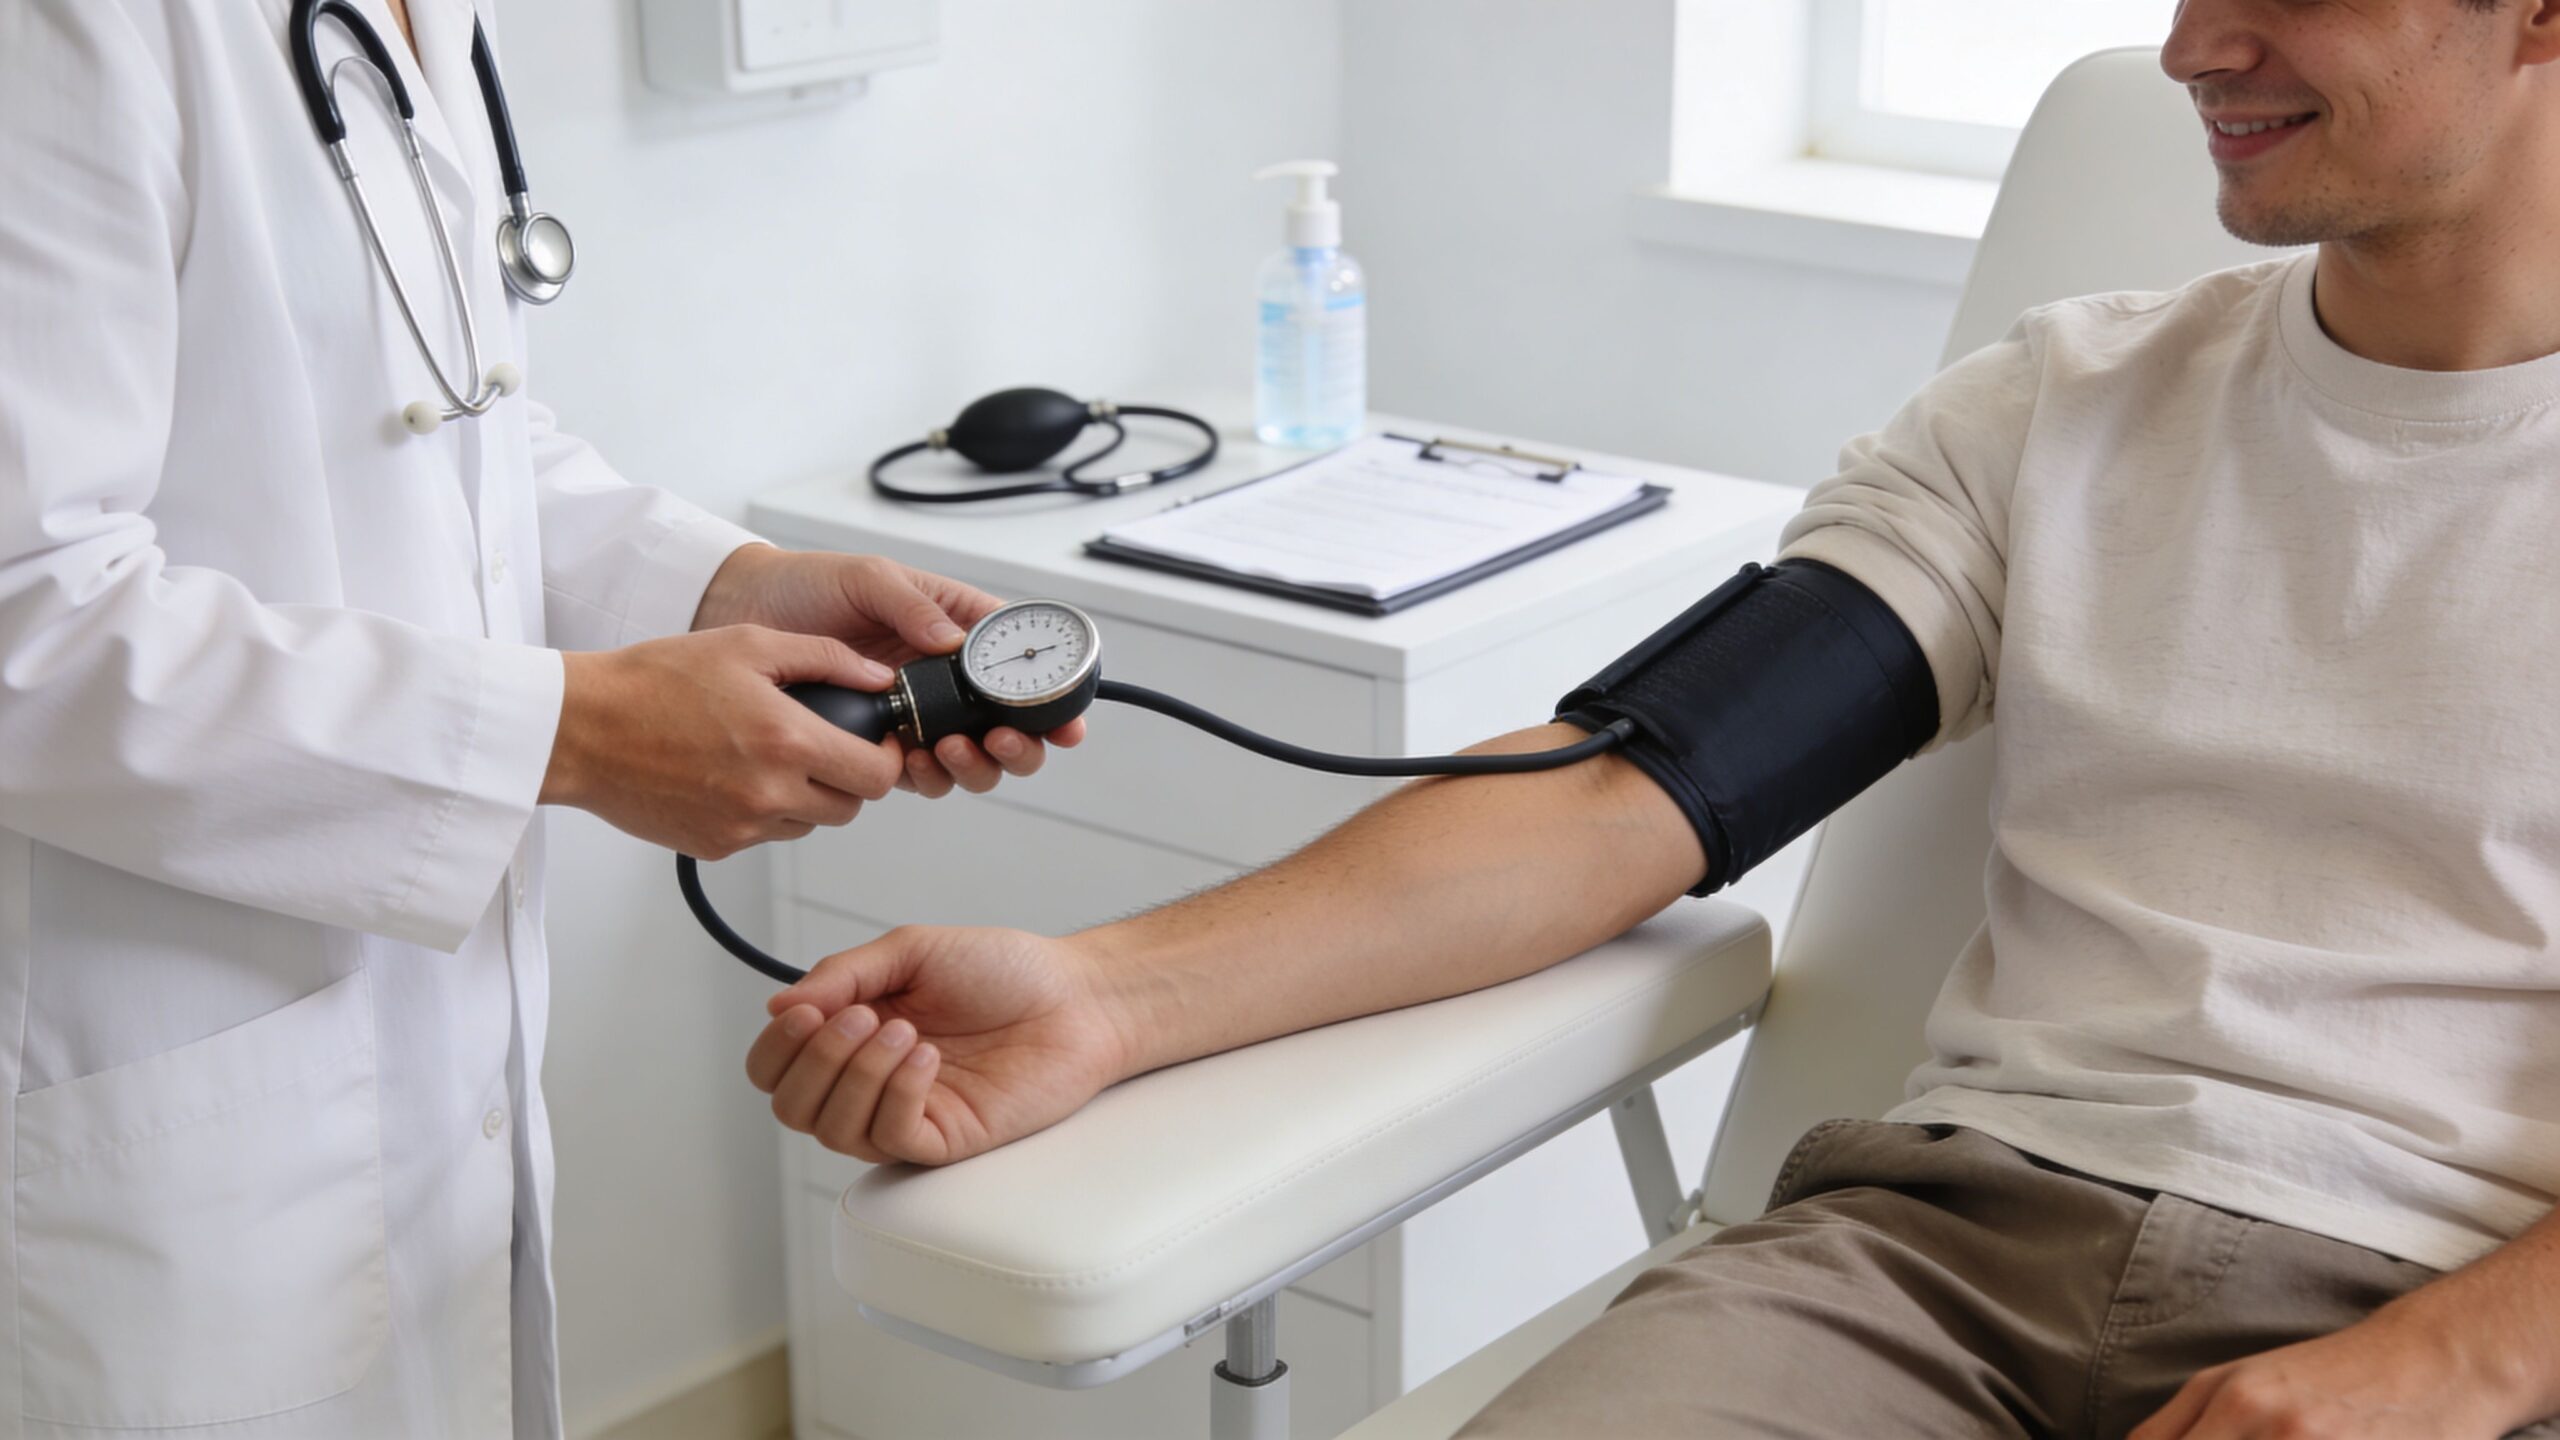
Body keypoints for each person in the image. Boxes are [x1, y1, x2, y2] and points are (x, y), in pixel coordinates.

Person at [748, 0, 2560, 1435]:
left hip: (2449, 1304)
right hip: (1928, 1275)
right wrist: (1109, 995)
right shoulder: (2066, 408)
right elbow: (1631, 796)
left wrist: (2467, 1361)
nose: (2191, 45)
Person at [0, 1, 1079, 1435]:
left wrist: (729, 584)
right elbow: (29, 607)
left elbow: (457, 425)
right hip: (173, 1079)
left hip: (425, 1062)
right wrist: (564, 734)